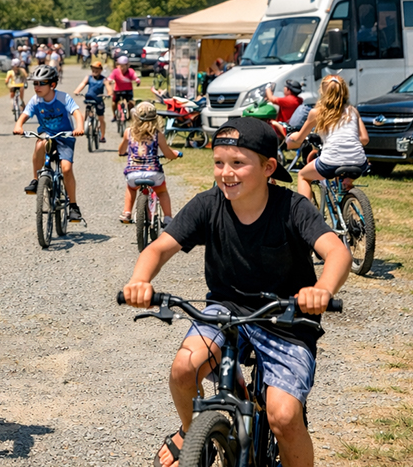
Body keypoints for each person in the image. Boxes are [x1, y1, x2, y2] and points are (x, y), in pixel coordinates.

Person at [122, 117, 351, 467]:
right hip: (225, 311)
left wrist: (322, 289)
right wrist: (141, 280)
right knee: (183, 369)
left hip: (286, 317)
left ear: (268, 167)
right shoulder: (208, 204)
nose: (226, 173)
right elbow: (158, 249)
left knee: (284, 416)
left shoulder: (292, 208)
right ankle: (193, 432)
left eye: (238, 164)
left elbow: (337, 252)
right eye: (218, 163)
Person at [13, 64, 85, 221]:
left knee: (66, 169)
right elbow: (25, 114)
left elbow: (77, 113)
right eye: (35, 83)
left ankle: (73, 206)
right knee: (40, 144)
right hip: (47, 134)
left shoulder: (63, 98)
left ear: (52, 85)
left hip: (65, 136)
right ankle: (36, 179)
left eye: (41, 83)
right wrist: (19, 125)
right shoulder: (35, 100)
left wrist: (79, 127)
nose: (37, 87)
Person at [286, 74, 369, 201]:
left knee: (303, 175)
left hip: (331, 161)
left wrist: (291, 137)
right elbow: (364, 139)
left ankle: (305, 216)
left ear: (322, 91)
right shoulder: (352, 110)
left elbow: (298, 139)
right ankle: (347, 185)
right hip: (359, 161)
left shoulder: (316, 112)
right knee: (344, 168)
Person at [117, 101, 180, 224]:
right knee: (161, 192)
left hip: (133, 173)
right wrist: (175, 154)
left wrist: (123, 152)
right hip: (153, 173)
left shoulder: (128, 132)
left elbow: (121, 150)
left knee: (131, 188)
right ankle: (167, 218)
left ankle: (127, 212)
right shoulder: (158, 134)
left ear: (135, 117)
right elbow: (168, 154)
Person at [73, 60, 112, 143]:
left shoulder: (104, 79)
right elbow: (82, 84)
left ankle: (102, 136)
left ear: (101, 70)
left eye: (97, 69)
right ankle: (83, 128)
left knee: (101, 118)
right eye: (93, 69)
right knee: (86, 113)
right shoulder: (89, 77)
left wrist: (109, 93)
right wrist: (77, 91)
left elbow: (109, 88)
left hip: (99, 100)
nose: (95, 71)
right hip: (89, 99)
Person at [109, 56, 140, 121]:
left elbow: (135, 76)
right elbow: (111, 77)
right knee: (114, 102)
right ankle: (114, 115)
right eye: (121, 66)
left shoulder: (130, 71)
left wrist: (137, 80)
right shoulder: (116, 71)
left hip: (128, 90)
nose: (122, 68)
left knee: (131, 103)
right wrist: (110, 80)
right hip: (118, 90)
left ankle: (130, 116)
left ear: (127, 65)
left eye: (124, 66)